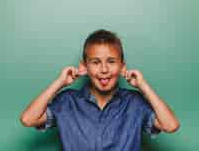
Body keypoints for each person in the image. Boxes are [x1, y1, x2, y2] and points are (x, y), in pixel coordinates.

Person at [20, 29, 180, 151]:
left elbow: (171, 125)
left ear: (122, 67)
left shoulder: (134, 103)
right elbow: (28, 119)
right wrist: (59, 83)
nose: (104, 69)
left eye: (111, 61)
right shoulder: (67, 101)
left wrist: (143, 86)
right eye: (96, 62)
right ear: (84, 67)